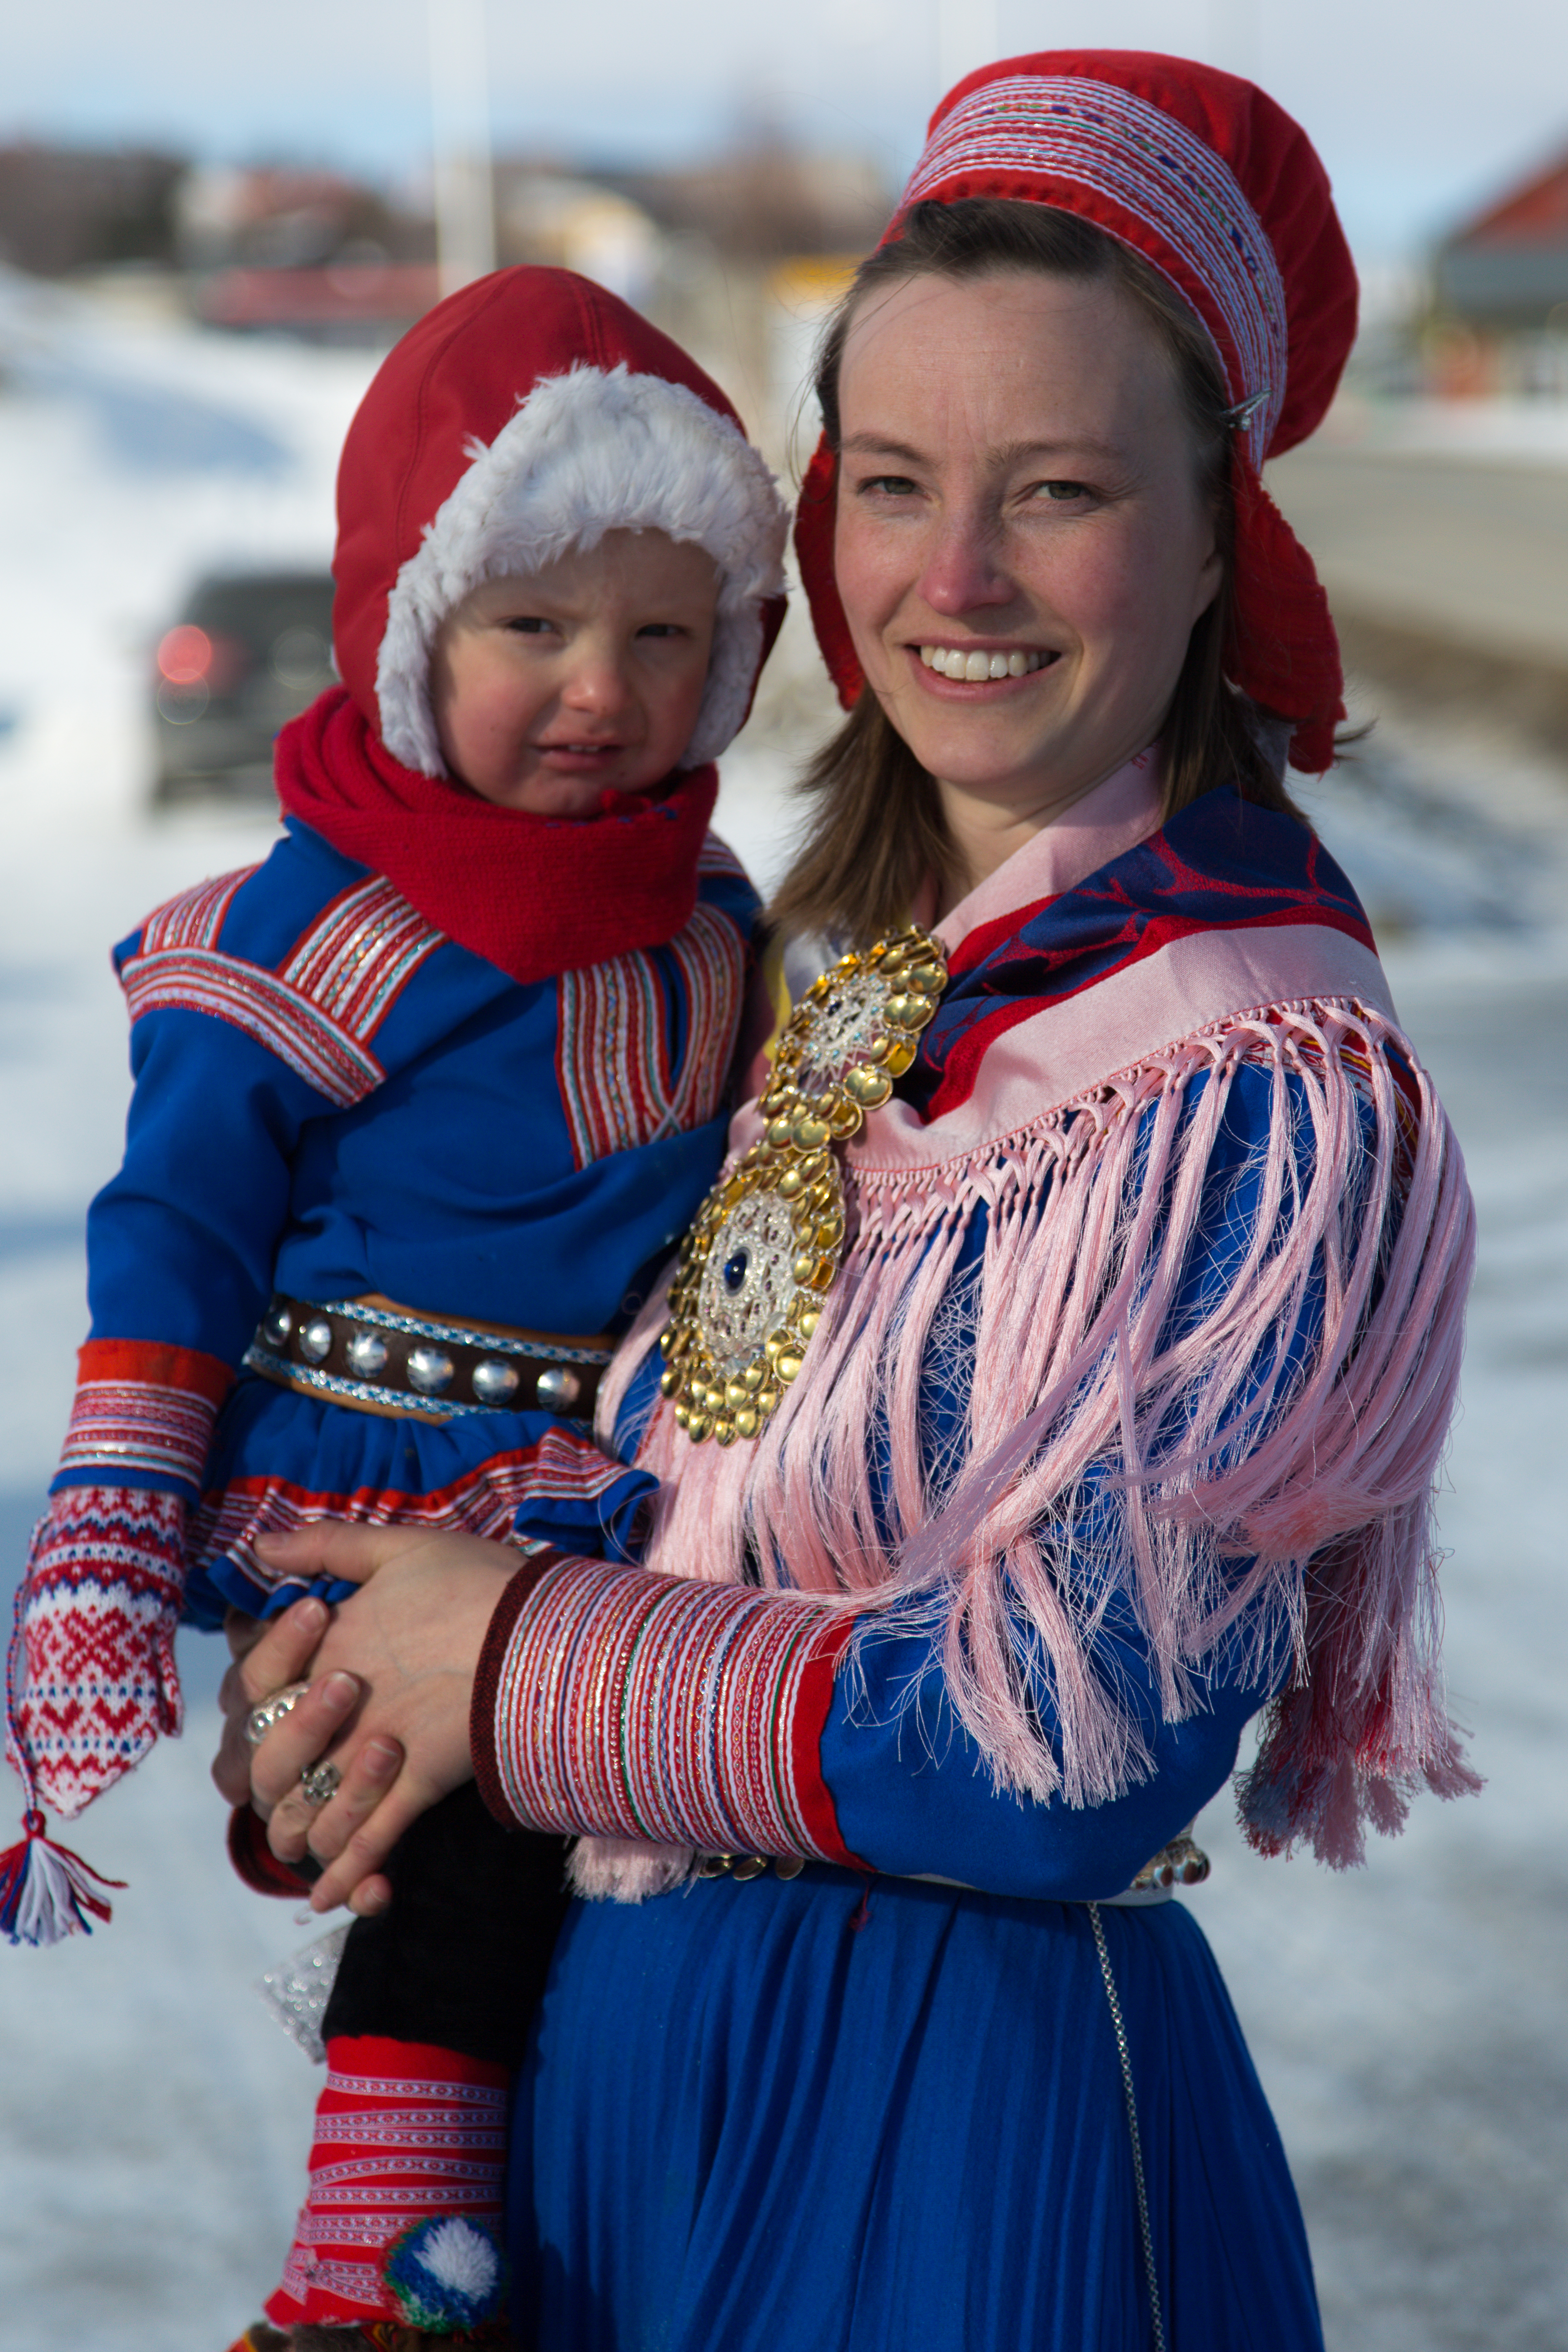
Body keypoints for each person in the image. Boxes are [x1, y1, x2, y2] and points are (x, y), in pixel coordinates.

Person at [222, 52, 1479, 2352]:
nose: (953, 576)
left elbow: (1064, 1747)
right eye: (889, 485)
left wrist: (509, 1667)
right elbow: (644, 1528)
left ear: (1216, 534)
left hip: (942, 2140)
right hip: (624, 2116)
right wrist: (369, 1694)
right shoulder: (835, 991)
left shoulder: (1245, 1059)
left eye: (1058, 490)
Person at [4, 266, 788, 2345]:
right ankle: (376, 2256)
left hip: (595, 1470)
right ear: (412, 625)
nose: (598, 688)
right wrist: (105, 1511)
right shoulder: (321, 922)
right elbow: (171, 1217)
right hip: (367, 1464)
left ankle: (526, 2227)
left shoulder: (708, 922)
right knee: (453, 1808)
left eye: (658, 633)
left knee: (555, 1830)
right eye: (531, 626)